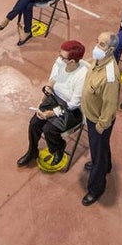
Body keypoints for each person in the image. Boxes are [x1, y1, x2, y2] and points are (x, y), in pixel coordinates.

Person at [17, 40, 89, 169]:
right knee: (34, 124)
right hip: (54, 99)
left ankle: (59, 147)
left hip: (70, 109)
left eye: (62, 57)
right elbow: (52, 81)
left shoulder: (82, 76)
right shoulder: (60, 62)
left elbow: (73, 104)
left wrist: (51, 113)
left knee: (49, 130)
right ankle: (32, 151)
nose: (59, 59)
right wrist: (41, 102)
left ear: (72, 61)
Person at [81, 32, 122, 206]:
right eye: (97, 42)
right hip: (91, 114)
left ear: (111, 50)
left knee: (97, 152)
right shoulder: (98, 61)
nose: (97, 47)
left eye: (102, 45)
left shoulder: (110, 76)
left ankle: (96, 188)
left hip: (98, 120)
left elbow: (110, 104)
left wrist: (101, 125)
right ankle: (106, 166)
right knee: (101, 145)